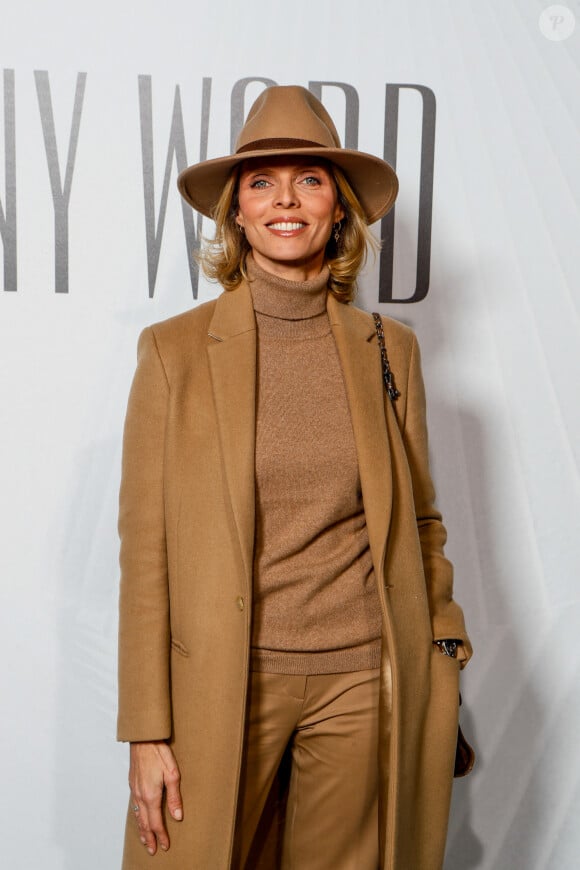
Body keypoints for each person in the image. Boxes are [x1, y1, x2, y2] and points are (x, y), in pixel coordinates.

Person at [117, 85, 472, 870]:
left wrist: (442, 639)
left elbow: (419, 517)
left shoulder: (389, 347)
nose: (286, 199)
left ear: (338, 210)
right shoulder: (174, 352)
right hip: (224, 679)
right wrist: (147, 727)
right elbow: (147, 552)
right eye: (261, 182)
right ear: (235, 213)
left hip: (362, 679)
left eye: (310, 180)